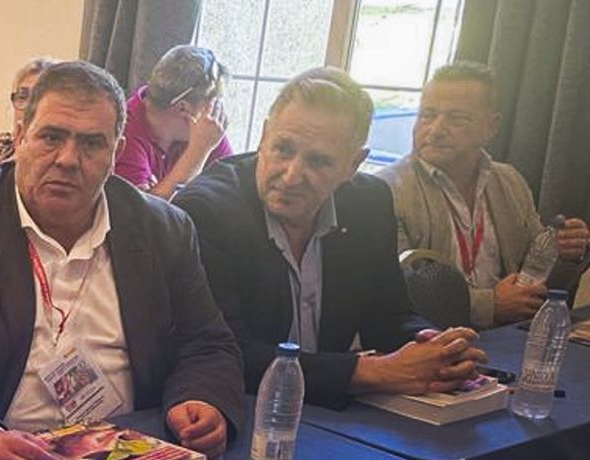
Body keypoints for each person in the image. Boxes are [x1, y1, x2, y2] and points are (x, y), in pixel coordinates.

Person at [0, 61, 244, 460]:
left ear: (117, 151)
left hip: (132, 456)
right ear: (20, 137)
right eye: (51, 137)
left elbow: (207, 343)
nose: (68, 160)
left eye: (92, 144)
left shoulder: (163, 228)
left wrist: (200, 398)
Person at [174, 67, 486, 409]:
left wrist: (431, 345)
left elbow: (388, 314)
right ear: (264, 136)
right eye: (282, 148)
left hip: (326, 410)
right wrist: (371, 372)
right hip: (240, 408)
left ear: (354, 164)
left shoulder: (369, 202)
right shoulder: (208, 211)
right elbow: (228, 353)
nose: (292, 175)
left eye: (319, 161)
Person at [377, 62, 590, 328]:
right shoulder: (384, 190)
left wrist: (566, 256)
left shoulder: (510, 181)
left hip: (508, 336)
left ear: (491, 127)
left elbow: (536, 277)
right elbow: (398, 290)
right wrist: (490, 305)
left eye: (456, 118)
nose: (436, 129)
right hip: (428, 341)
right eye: (427, 115)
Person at [116, 45, 233, 198]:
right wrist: (198, 151)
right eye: (212, 102)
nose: (216, 111)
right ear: (183, 109)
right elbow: (142, 216)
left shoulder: (205, 127)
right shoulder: (124, 129)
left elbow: (232, 188)